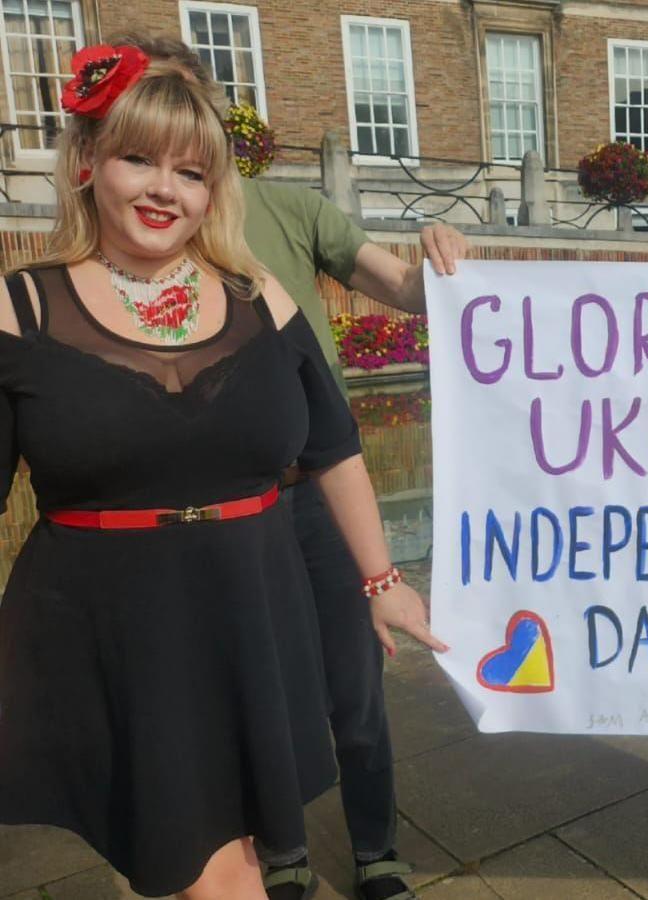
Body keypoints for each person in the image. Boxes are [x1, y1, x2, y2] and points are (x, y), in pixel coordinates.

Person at [0, 39, 444, 900]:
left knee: (226, 855)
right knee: (191, 865)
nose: (166, 189)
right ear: (88, 162)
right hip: (109, 627)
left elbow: (332, 445)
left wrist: (382, 578)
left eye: (192, 172)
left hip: (251, 609)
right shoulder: (22, 308)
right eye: (139, 159)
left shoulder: (256, 296)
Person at [120, 36, 467, 900]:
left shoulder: (287, 210)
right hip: (214, 509)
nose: (174, 160)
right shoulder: (147, 237)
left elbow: (400, 288)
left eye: (189, 118)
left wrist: (442, 263)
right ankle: (282, 853)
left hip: (315, 490)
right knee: (256, 697)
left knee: (355, 688)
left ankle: (378, 848)